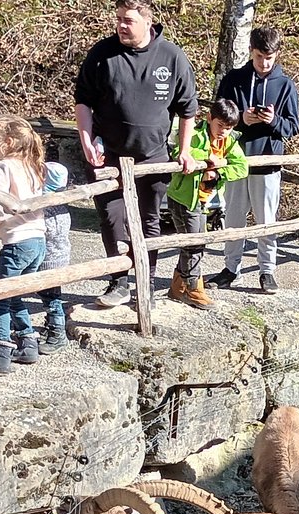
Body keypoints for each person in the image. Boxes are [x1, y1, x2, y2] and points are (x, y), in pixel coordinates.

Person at [73, 0, 199, 309]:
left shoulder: (171, 57)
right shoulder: (102, 54)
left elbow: (188, 110)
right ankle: (119, 281)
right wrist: (86, 139)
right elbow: (82, 100)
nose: (121, 25)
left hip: (153, 155)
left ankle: (147, 279)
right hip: (109, 154)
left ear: (147, 22)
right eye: (118, 19)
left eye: (127, 20)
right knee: (112, 217)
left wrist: (184, 150)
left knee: (148, 220)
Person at [212, 25, 299, 294]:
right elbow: (218, 115)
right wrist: (242, 120)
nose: (264, 63)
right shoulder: (233, 79)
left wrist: (273, 121)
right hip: (235, 160)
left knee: (265, 221)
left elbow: (293, 127)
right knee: (234, 218)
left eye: (269, 58)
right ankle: (230, 268)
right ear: (251, 51)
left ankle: (267, 271)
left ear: (277, 55)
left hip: (268, 162)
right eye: (260, 56)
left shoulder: (285, 86)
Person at [0, 115, 48, 376]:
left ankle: (1, 352)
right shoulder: (33, 166)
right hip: (37, 239)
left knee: (0, 297)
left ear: (6, 142)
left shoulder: (2, 167)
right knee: (17, 293)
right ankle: (28, 343)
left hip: (17, 241)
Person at [165, 99, 247, 309]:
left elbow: (241, 167)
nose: (223, 132)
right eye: (220, 126)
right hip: (184, 198)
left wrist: (220, 170)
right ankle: (193, 287)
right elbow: (180, 153)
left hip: (204, 199)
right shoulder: (195, 134)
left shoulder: (229, 141)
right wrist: (209, 159)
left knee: (194, 242)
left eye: (228, 128)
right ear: (210, 118)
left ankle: (178, 284)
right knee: (195, 244)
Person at [37, 161, 74, 352]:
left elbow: (48, 231)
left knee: (51, 299)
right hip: (59, 257)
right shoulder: (61, 204)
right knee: (50, 296)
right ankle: (51, 327)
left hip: (49, 259)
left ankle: (57, 333)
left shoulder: (48, 206)